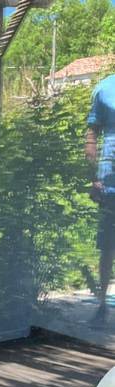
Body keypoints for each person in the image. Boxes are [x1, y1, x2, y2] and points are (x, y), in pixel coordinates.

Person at [86, 71, 115, 315]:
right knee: (107, 245)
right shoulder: (105, 88)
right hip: (109, 182)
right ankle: (102, 304)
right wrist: (93, 177)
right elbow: (92, 134)